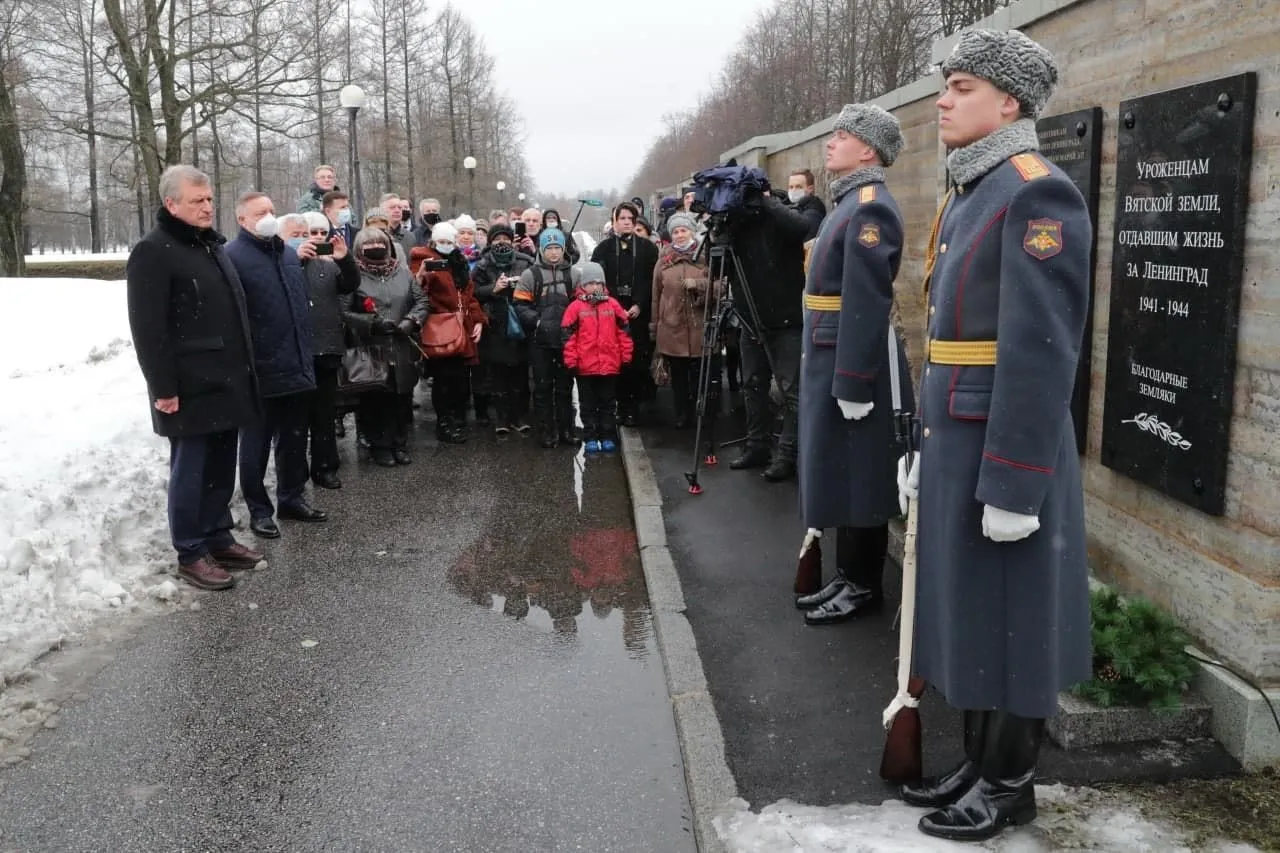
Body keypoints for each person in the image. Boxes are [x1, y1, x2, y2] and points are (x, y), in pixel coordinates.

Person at [896, 29, 1092, 843]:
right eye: (947, 85)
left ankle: (1012, 782)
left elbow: (1041, 353)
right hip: (957, 433)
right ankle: (979, 761)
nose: (943, 99)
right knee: (973, 606)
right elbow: (944, 332)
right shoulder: (971, 190)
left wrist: (1015, 481)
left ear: (1009, 102)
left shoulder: (1033, 191)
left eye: (963, 86)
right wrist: (920, 439)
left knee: (1013, 614)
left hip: (1006, 444)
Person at [793, 104, 911, 627]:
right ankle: (847, 574)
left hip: (850, 358)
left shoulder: (869, 209)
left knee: (861, 471)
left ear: (869, 150)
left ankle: (863, 584)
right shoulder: (847, 203)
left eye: (843, 136)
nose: (830, 143)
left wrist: (855, 381)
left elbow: (865, 301)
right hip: (830, 349)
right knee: (839, 467)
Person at [126, 165, 263, 591]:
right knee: (192, 469)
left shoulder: (208, 245)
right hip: (188, 385)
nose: (207, 207)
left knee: (221, 466)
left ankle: (217, 536)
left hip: (226, 380)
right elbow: (148, 329)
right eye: (196, 201)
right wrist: (163, 387)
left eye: (208, 199)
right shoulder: (154, 250)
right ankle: (190, 549)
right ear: (171, 204)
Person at [224, 192, 326, 539]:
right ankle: (259, 509)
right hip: (259, 370)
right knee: (255, 444)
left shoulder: (286, 254)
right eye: (260, 212)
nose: (269, 216)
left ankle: (291, 498)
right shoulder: (232, 258)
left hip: (296, 363)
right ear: (242, 220)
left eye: (271, 210)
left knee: (294, 438)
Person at [720, 170, 818, 483]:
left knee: (791, 390)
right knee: (753, 385)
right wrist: (721, 228)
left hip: (786, 320)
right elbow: (716, 269)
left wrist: (765, 203)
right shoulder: (738, 222)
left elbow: (804, 228)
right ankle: (757, 446)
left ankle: (788, 454)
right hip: (749, 320)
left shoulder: (783, 214)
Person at [343, 227, 428, 466]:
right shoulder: (353, 277)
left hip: (402, 344)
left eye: (380, 243)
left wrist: (411, 321)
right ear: (359, 249)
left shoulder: (403, 273)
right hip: (371, 348)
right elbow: (344, 311)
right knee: (376, 399)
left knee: (401, 398)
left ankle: (399, 444)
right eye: (368, 245)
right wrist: (371, 324)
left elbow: (421, 301)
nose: (375, 248)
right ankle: (379, 445)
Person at [287, 211, 360, 489]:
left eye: (320, 233)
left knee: (324, 414)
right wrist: (297, 258)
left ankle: (325, 466)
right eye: (307, 234)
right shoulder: (287, 262)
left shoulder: (329, 265)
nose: (315, 239)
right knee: (296, 419)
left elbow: (350, 285)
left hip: (327, 347)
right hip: (297, 351)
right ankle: (295, 473)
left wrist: (344, 257)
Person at [416, 221, 487, 444]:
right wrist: (421, 275)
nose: (445, 245)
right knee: (443, 380)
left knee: (459, 380)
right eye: (441, 241)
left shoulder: (459, 262)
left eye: (449, 241)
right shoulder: (424, 259)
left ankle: (457, 420)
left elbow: (470, 296)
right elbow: (417, 292)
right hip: (441, 326)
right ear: (433, 241)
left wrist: (478, 320)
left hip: (462, 326)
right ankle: (444, 424)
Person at [590, 202, 659, 426]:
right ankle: (620, 405)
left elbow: (652, 281)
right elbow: (597, 281)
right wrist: (613, 306)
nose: (627, 222)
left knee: (637, 360)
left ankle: (634, 407)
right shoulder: (603, 249)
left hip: (639, 311)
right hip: (612, 311)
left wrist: (639, 303)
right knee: (616, 360)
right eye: (622, 218)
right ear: (615, 221)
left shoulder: (648, 249)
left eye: (631, 218)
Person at [515, 227, 580, 448]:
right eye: (549, 248)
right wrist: (538, 321)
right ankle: (546, 431)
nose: (553, 253)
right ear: (542, 249)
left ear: (563, 249)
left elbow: (580, 304)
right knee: (542, 388)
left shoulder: (573, 274)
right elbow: (520, 305)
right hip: (539, 341)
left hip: (565, 341)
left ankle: (567, 430)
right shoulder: (530, 275)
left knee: (564, 387)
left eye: (557, 248)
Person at [562, 261, 634, 453]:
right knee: (588, 404)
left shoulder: (613, 305)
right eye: (590, 283)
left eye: (598, 283)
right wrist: (571, 361)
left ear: (603, 285)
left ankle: (607, 435)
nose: (594, 287)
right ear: (583, 285)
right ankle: (590, 436)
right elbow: (568, 338)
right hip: (585, 367)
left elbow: (624, 333)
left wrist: (625, 357)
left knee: (608, 403)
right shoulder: (575, 308)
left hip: (609, 365)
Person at [472, 224, 535, 435]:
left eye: (506, 238)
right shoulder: (482, 265)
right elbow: (473, 293)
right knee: (497, 375)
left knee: (519, 374)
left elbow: (537, 286)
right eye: (497, 239)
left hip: (520, 324)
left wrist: (520, 288)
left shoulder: (525, 262)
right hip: (494, 325)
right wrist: (494, 289)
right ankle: (501, 418)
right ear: (490, 242)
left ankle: (520, 416)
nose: (502, 243)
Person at [649, 212, 709, 428]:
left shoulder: (705, 257)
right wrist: (655, 327)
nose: (680, 235)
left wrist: (699, 285)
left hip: (700, 328)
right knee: (679, 379)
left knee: (700, 378)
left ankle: (702, 415)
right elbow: (656, 296)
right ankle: (682, 414)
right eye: (675, 231)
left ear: (692, 232)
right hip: (672, 329)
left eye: (683, 230)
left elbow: (722, 287)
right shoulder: (663, 262)